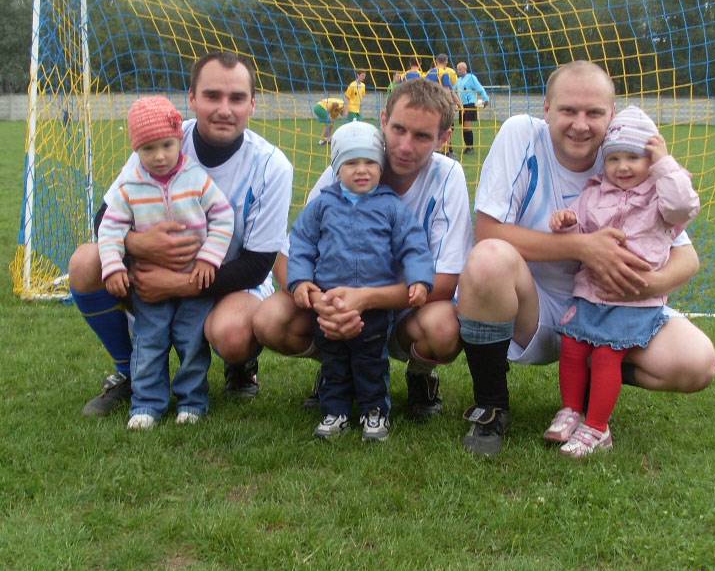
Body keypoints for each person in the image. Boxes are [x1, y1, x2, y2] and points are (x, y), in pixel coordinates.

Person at [456, 60, 715, 457]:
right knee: (488, 258)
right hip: (534, 308)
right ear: (547, 109)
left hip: (613, 308)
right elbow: (488, 232)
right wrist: (583, 247)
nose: (580, 124)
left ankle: (595, 376)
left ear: (610, 115)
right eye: (568, 110)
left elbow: (688, 258)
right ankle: (491, 406)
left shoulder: (624, 158)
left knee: (698, 362)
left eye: (594, 113)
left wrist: (643, 286)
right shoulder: (521, 134)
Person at [69, 51, 293, 417]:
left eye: (237, 98)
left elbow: (256, 266)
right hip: (150, 269)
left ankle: (240, 365)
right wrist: (138, 244)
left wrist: (175, 285)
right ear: (192, 98)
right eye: (212, 96)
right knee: (85, 261)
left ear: (253, 104)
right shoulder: (162, 140)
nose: (224, 109)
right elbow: (104, 218)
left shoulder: (272, 166)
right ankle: (129, 373)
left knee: (233, 334)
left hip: (229, 280)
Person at [254, 78, 472, 420]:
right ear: (383, 120)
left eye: (422, 136)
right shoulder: (351, 164)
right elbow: (288, 257)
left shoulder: (448, 177)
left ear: (444, 138)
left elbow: (445, 282)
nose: (405, 146)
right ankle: (337, 367)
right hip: (335, 300)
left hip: (406, 308)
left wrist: (365, 299)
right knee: (270, 319)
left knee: (444, 328)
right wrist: (322, 302)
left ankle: (420, 375)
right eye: (398, 129)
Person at [545, 105, 700, 457]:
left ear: (650, 160)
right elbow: (580, 236)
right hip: (591, 292)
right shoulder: (595, 192)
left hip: (633, 299)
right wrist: (566, 223)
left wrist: (664, 165)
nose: (623, 167)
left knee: (605, 355)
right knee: (572, 348)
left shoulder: (661, 196)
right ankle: (571, 410)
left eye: (633, 157)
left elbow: (684, 208)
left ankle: (597, 428)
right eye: (614, 159)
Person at [288, 121, 434, 440]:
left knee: (371, 361)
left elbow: (414, 245)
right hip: (329, 303)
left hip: (374, 307)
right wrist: (299, 281)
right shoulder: (322, 205)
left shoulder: (392, 207)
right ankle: (335, 412)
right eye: (351, 163)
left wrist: (420, 279)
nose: (362, 170)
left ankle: (375, 412)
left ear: (380, 166)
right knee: (334, 360)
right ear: (337, 168)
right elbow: (300, 243)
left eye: (369, 162)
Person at [98, 96, 235, 429]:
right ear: (136, 149)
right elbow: (110, 228)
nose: (159, 156)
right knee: (149, 341)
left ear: (178, 141)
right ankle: (146, 404)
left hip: (195, 283)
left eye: (167, 145)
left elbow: (223, 216)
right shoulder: (129, 186)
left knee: (192, 341)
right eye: (148, 149)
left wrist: (209, 258)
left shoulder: (196, 178)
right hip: (149, 283)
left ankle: (193, 401)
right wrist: (114, 266)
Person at [425, 54, 459, 156]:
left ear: (436, 61)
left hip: (430, 104)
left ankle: (433, 149)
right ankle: (447, 151)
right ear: (446, 62)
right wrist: (453, 104)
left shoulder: (429, 73)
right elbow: (447, 91)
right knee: (448, 127)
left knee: (434, 127)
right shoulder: (444, 73)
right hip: (442, 104)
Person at [454, 62, 489, 156]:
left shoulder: (471, 78)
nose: (458, 71)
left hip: (470, 105)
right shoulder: (458, 80)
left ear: (465, 69)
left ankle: (471, 148)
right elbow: (453, 90)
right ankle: (468, 147)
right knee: (464, 128)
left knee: (467, 126)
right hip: (462, 106)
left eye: (460, 69)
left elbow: (480, 88)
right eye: (457, 69)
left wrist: (486, 99)